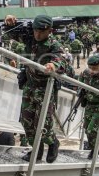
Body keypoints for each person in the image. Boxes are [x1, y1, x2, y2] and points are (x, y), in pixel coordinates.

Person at [4, 14, 66, 163]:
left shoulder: (53, 45)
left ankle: (53, 143)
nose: (37, 34)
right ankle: (36, 151)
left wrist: (53, 65)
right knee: (26, 122)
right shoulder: (30, 38)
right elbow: (13, 34)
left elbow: (62, 62)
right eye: (35, 30)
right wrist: (11, 23)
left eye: (41, 31)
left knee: (43, 124)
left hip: (45, 90)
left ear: (49, 30)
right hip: (29, 86)